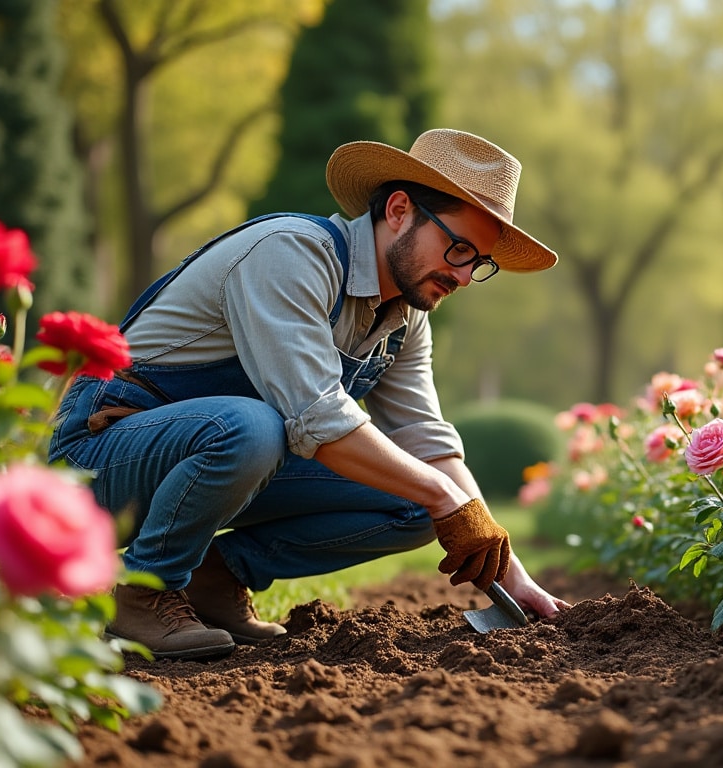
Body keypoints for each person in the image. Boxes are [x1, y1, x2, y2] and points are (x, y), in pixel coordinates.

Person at [49, 129, 572, 660]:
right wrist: (443, 496)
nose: (462, 275)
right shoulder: (291, 254)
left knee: (418, 502)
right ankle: (144, 593)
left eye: (478, 262)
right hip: (101, 456)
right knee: (252, 429)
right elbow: (318, 417)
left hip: (219, 458)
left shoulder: (405, 321)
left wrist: (506, 569)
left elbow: (430, 445)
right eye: (457, 248)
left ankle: (212, 577)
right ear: (398, 210)